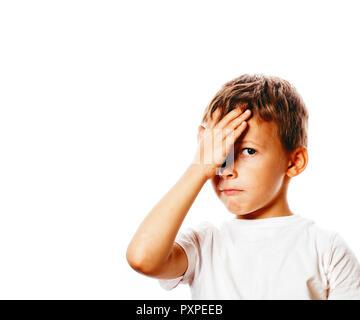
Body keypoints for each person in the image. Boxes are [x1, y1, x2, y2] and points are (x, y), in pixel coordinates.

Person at [126, 74, 360, 299]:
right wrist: (199, 167)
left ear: (294, 162)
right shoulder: (204, 244)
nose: (226, 169)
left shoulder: (326, 251)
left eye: (248, 151)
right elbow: (142, 258)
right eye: (222, 154)